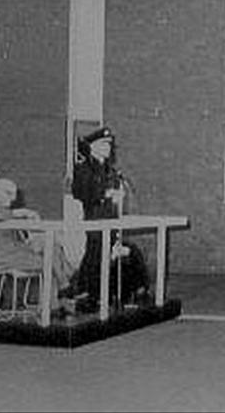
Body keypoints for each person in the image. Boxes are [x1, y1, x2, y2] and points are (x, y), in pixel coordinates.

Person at [71, 126, 151, 311]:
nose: (108, 148)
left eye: (109, 145)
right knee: (96, 255)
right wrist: (106, 193)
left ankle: (130, 291)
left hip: (113, 221)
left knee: (124, 253)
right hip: (96, 221)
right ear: (93, 146)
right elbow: (81, 192)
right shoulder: (84, 169)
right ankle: (88, 295)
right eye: (104, 144)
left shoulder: (111, 171)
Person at [0, 178, 76, 315]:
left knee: (50, 243)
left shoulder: (4, 211)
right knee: (49, 262)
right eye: (8, 193)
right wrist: (20, 212)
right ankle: (59, 295)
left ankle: (63, 287)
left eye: (13, 194)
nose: (12, 199)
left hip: (18, 250)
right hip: (3, 257)